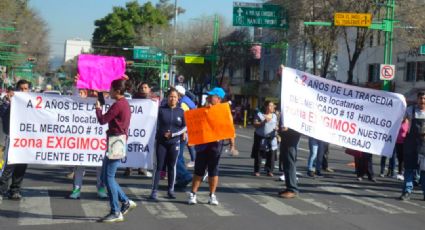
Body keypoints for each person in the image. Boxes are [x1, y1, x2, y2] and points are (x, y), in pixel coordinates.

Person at [96, 79, 136, 223]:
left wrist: (98, 108)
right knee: (106, 177)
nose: (109, 91)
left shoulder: (119, 104)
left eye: (111, 89)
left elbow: (102, 120)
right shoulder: (123, 103)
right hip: (116, 141)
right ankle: (125, 202)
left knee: (109, 178)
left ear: (118, 91)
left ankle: (115, 211)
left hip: (116, 143)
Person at [188, 87, 227, 205]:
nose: (209, 98)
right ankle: (193, 194)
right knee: (198, 171)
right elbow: (196, 124)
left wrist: (232, 145)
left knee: (213, 171)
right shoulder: (203, 109)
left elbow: (228, 128)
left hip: (216, 146)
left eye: (212, 96)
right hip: (202, 145)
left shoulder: (223, 112)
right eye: (209, 96)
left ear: (218, 98)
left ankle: (212, 195)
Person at [68, 89, 107, 199]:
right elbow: (71, 102)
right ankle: (76, 189)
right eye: (92, 91)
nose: (94, 93)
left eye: (97, 91)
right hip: (83, 140)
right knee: (80, 164)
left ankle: (101, 188)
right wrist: (76, 87)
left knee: (100, 165)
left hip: (99, 140)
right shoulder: (81, 99)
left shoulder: (105, 101)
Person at [149, 88, 186, 200]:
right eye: (170, 96)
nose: (172, 99)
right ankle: (154, 190)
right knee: (159, 166)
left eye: (175, 97)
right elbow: (155, 125)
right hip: (161, 142)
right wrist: (161, 134)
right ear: (167, 97)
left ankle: (170, 190)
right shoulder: (160, 110)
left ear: (178, 98)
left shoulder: (181, 111)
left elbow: (185, 127)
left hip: (174, 143)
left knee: (172, 166)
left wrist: (174, 134)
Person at [0, 80, 30, 200]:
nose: (24, 91)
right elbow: (2, 112)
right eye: (21, 88)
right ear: (17, 89)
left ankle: (15, 190)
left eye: (26, 89)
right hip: (11, 138)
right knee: (8, 165)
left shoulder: (31, 102)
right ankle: (2, 190)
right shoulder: (8, 101)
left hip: (25, 140)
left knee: (21, 166)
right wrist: (8, 101)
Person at [124, 82, 158, 177]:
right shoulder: (134, 99)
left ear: (149, 89)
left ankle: (142, 168)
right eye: (141, 87)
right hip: (133, 128)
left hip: (146, 129)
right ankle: (129, 168)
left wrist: (155, 103)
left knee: (143, 148)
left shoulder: (153, 101)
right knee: (130, 147)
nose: (143, 89)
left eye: (145, 87)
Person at [400, 91, 425, 201]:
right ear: (417, 99)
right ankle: (407, 191)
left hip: (424, 145)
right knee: (409, 168)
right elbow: (399, 119)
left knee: (424, 171)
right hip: (411, 143)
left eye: (424, 98)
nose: (422, 101)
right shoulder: (410, 110)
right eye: (420, 98)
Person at [252, 100, 278, 177]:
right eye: (270, 105)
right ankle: (257, 171)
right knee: (258, 155)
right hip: (261, 137)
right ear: (266, 106)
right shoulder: (260, 115)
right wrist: (263, 122)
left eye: (273, 106)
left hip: (271, 138)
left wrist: (277, 129)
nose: (272, 107)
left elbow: (276, 125)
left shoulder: (275, 116)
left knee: (271, 155)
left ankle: (269, 170)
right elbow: (255, 124)